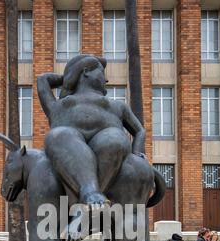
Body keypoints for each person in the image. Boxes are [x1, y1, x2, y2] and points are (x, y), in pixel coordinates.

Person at [37, 54, 146, 210]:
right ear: (86, 71)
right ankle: (90, 194)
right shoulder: (59, 106)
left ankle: (88, 200)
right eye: (102, 73)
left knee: (114, 138)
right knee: (59, 135)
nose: (106, 80)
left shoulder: (117, 106)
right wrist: (70, 76)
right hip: (68, 147)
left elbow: (139, 130)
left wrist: (137, 154)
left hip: (110, 149)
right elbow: (42, 79)